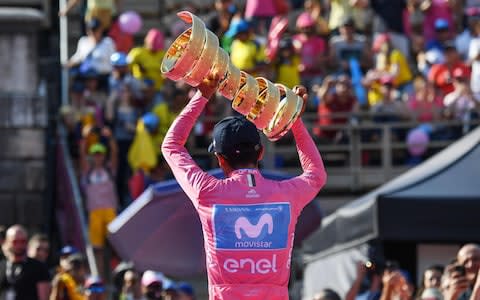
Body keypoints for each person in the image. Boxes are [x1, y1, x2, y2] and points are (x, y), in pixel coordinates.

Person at [161, 76, 327, 299]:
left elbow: (171, 145)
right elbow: (316, 174)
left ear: (220, 159)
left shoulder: (206, 192)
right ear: (260, 153)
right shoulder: (286, 195)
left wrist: (202, 95)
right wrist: (293, 118)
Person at [81, 139, 119, 278]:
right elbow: (82, 154)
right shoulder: (88, 171)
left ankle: (115, 277)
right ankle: (100, 277)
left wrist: (109, 137)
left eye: (100, 154)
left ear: (104, 155)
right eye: (95, 154)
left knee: (116, 246)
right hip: (95, 212)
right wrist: (85, 139)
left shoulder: (109, 169)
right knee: (97, 249)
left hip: (109, 210)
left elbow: (115, 153)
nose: (97, 157)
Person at [0, 225, 50, 300]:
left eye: (23, 241)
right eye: (15, 241)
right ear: (7, 242)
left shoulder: (38, 267)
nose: (19, 245)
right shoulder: (2, 265)